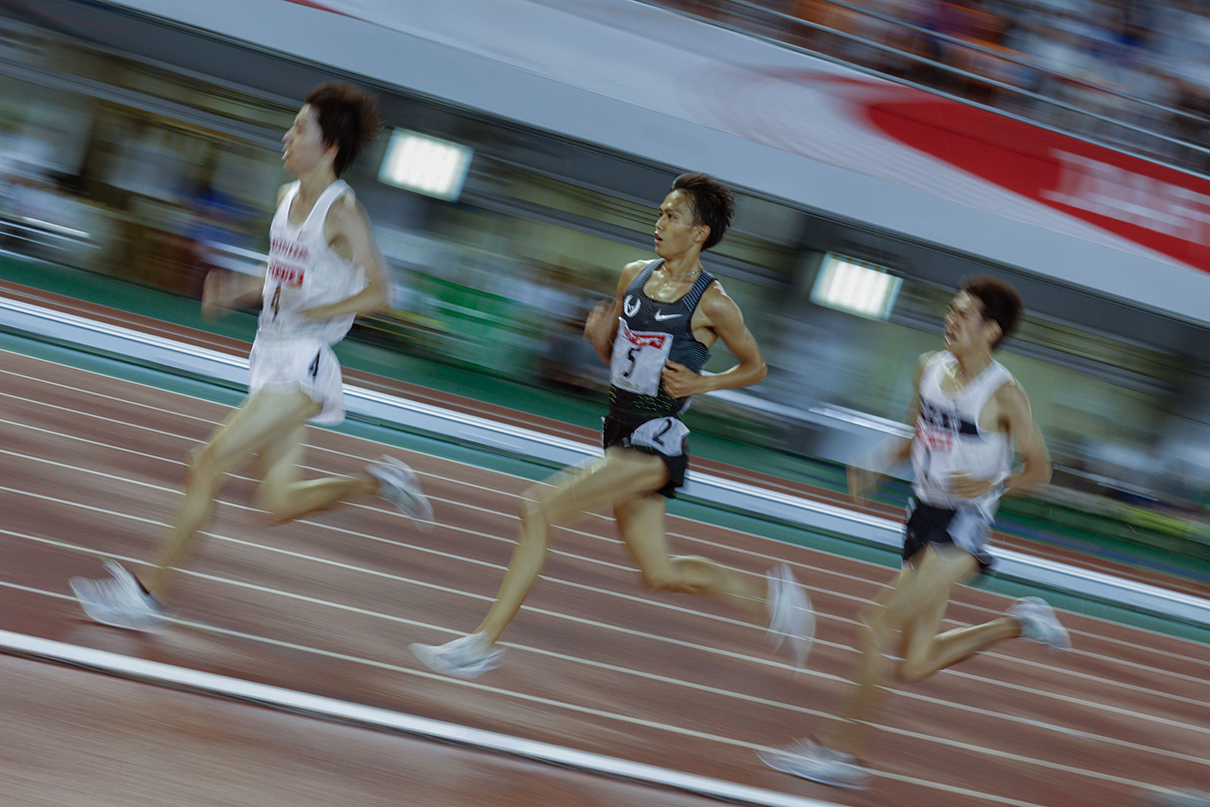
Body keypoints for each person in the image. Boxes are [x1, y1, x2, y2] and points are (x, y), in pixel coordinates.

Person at [410, 172, 814, 679]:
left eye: (672, 216)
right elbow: (623, 363)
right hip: (619, 430)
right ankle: (771, 597)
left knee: (537, 508)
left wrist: (701, 384)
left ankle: (481, 643)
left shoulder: (713, 303)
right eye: (660, 212)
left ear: (699, 233)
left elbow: (756, 366)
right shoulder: (633, 277)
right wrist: (600, 340)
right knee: (659, 572)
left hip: (655, 444)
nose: (659, 222)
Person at [71, 82, 431, 629]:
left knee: (206, 464)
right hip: (270, 351)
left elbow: (382, 291)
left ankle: (146, 597)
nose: (287, 136)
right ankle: (379, 483)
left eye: (300, 128)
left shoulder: (343, 210)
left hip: (305, 361)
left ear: (330, 145)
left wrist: (317, 311)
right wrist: (241, 286)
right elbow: (286, 273)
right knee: (276, 503)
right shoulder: (288, 198)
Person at [759, 276, 1070, 790]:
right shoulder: (929, 367)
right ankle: (1019, 621)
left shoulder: (1005, 394)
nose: (950, 319)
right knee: (917, 662)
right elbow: (916, 432)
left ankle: (841, 756)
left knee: (872, 626)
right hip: (922, 513)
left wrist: (993, 481)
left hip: (965, 525)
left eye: (963, 314)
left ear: (990, 330)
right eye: (950, 309)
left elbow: (1040, 470)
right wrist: (879, 459)